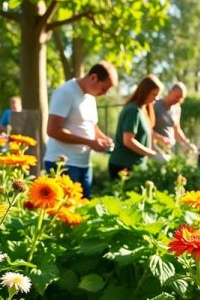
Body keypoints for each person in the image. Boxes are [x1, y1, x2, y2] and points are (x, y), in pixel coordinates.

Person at [44, 61, 117, 199]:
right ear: (93, 77)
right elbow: (53, 130)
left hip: (84, 164)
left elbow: (91, 126)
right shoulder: (66, 92)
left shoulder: (90, 96)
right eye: (104, 89)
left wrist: (103, 138)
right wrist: (90, 142)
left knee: (83, 213)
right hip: (63, 165)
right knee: (64, 213)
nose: (104, 94)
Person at [109, 75, 167, 180]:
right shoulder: (133, 110)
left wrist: (160, 153)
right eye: (154, 94)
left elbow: (147, 138)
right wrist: (153, 154)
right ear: (145, 92)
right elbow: (128, 141)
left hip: (136, 166)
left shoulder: (143, 110)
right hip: (123, 166)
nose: (156, 98)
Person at [152, 82, 196, 153]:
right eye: (177, 97)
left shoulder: (177, 109)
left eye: (181, 98)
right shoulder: (156, 105)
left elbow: (176, 130)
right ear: (170, 92)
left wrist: (187, 143)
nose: (178, 100)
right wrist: (161, 139)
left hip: (168, 149)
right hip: (154, 148)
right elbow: (148, 129)